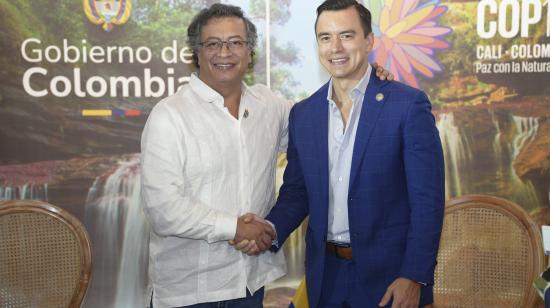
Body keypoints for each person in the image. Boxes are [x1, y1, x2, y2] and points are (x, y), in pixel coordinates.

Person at [140, 3, 393, 308]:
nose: (225, 52)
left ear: (250, 52)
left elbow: (323, 126)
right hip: (190, 292)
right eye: (213, 44)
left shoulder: (270, 107)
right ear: (196, 52)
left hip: (251, 286)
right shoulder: (169, 116)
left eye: (236, 42)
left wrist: (368, 77)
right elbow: (163, 208)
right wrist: (234, 227)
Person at [240, 0, 445, 307]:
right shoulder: (304, 114)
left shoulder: (407, 106)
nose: (335, 47)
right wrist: (269, 229)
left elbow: (427, 202)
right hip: (325, 277)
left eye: (347, 35)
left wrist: (415, 276)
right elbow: (298, 192)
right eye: (325, 37)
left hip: (391, 280)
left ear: (369, 40)